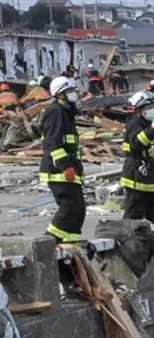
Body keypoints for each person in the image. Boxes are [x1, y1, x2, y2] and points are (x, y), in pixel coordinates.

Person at [40, 76, 85, 244]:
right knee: (69, 207)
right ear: (59, 95)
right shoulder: (55, 112)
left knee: (79, 210)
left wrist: (77, 167)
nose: (73, 94)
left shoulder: (66, 113)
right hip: (58, 171)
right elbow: (53, 143)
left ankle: (70, 247)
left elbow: (71, 147)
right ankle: (49, 244)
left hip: (70, 169)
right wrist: (65, 166)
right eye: (70, 91)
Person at [121, 91, 154, 223]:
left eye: (152, 107)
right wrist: (151, 131)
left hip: (145, 172)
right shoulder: (134, 124)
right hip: (135, 175)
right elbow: (136, 144)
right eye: (148, 108)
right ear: (139, 110)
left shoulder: (144, 124)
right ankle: (127, 238)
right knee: (134, 211)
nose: (151, 110)